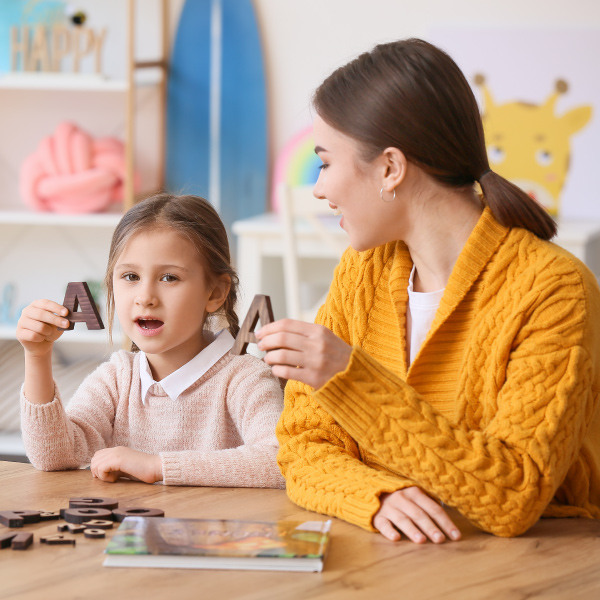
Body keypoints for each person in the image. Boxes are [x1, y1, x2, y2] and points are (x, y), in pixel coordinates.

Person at [255, 38, 600, 542]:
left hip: (532, 564)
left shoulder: (554, 288)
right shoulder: (361, 273)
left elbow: (513, 496)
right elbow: (302, 448)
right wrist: (374, 495)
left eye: (326, 163)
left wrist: (348, 379)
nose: (319, 188)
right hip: (387, 556)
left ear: (390, 168)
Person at [17, 193, 285, 488]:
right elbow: (54, 456)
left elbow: (280, 461)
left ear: (215, 293)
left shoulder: (244, 378)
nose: (145, 297)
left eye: (169, 278)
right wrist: (38, 356)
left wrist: (158, 466)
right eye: (130, 276)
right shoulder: (118, 377)